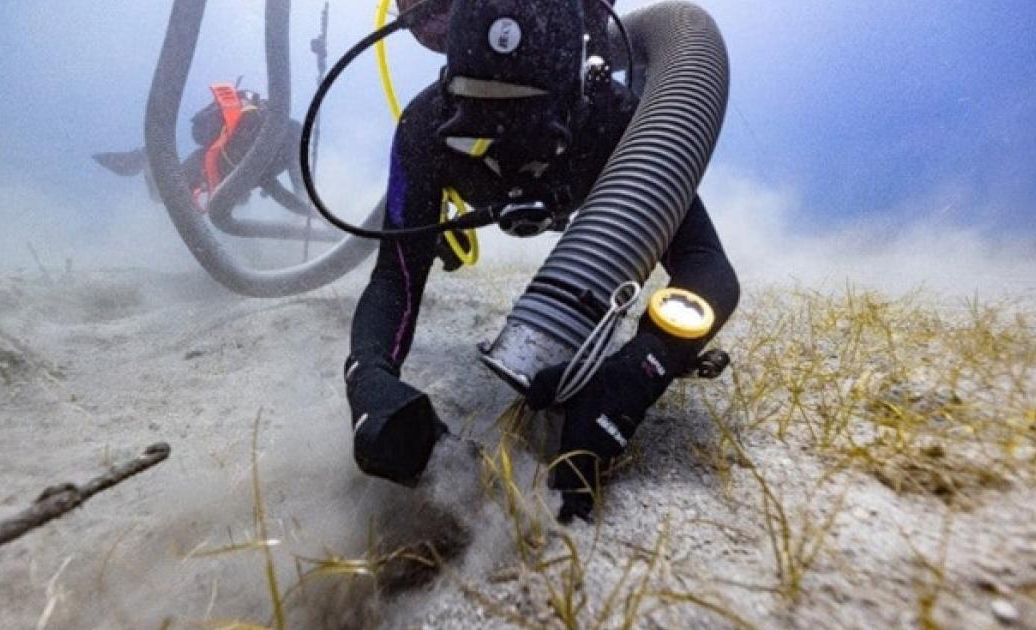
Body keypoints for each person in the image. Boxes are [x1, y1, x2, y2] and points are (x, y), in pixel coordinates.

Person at [344, 0, 740, 523]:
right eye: (480, 131)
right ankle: (453, 244)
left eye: (533, 130)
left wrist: (635, 373)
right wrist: (368, 377)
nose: (512, 152)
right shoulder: (425, 130)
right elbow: (394, 277)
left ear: (574, 98)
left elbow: (708, 272)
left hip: (589, 155)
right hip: (472, 186)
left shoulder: (613, 120)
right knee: (422, 242)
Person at [93, 84, 305, 213]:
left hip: (217, 164)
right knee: (161, 196)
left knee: (167, 196)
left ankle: (149, 157)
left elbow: (294, 190)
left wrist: (306, 210)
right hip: (207, 164)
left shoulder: (274, 144)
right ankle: (148, 157)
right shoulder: (276, 149)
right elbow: (287, 190)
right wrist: (310, 213)